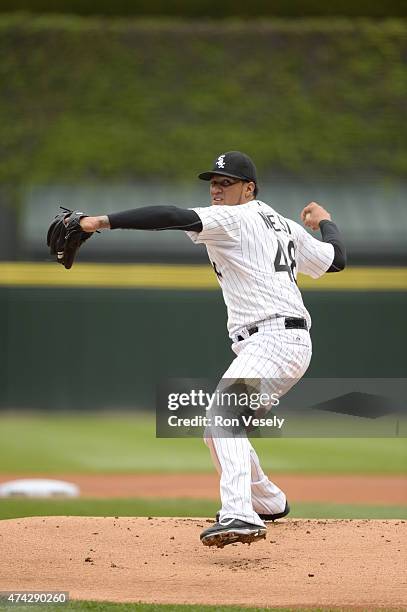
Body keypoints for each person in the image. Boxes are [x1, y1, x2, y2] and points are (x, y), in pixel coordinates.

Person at [79, 151, 346, 548]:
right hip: (281, 340)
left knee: (223, 415)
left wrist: (101, 221)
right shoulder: (281, 224)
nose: (217, 189)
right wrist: (325, 222)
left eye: (227, 182)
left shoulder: (235, 218)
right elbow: (336, 259)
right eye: (214, 182)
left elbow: (171, 216)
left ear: (248, 188)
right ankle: (268, 501)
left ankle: (240, 514)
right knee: (217, 428)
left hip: (274, 337)